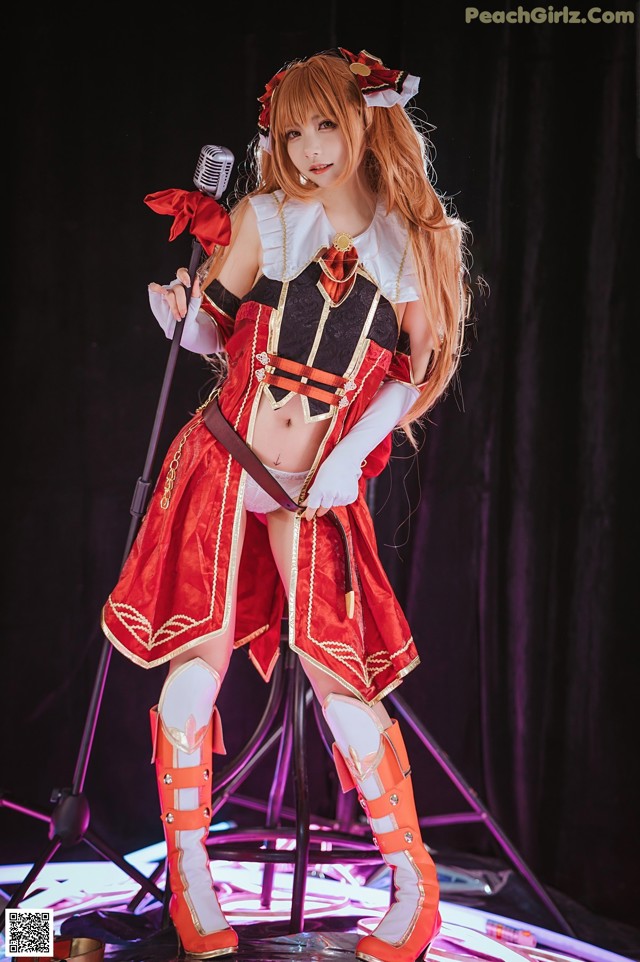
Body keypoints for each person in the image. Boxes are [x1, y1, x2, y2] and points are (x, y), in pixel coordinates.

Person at [101, 46, 470, 962]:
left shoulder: (406, 241)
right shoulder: (264, 218)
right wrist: (181, 295)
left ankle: (412, 889)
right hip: (222, 468)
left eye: (325, 127)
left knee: (346, 680)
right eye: (291, 131)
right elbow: (205, 333)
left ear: (365, 121)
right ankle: (190, 881)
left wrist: (349, 456)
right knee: (196, 661)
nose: (308, 150)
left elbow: (416, 370)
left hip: (317, 489)